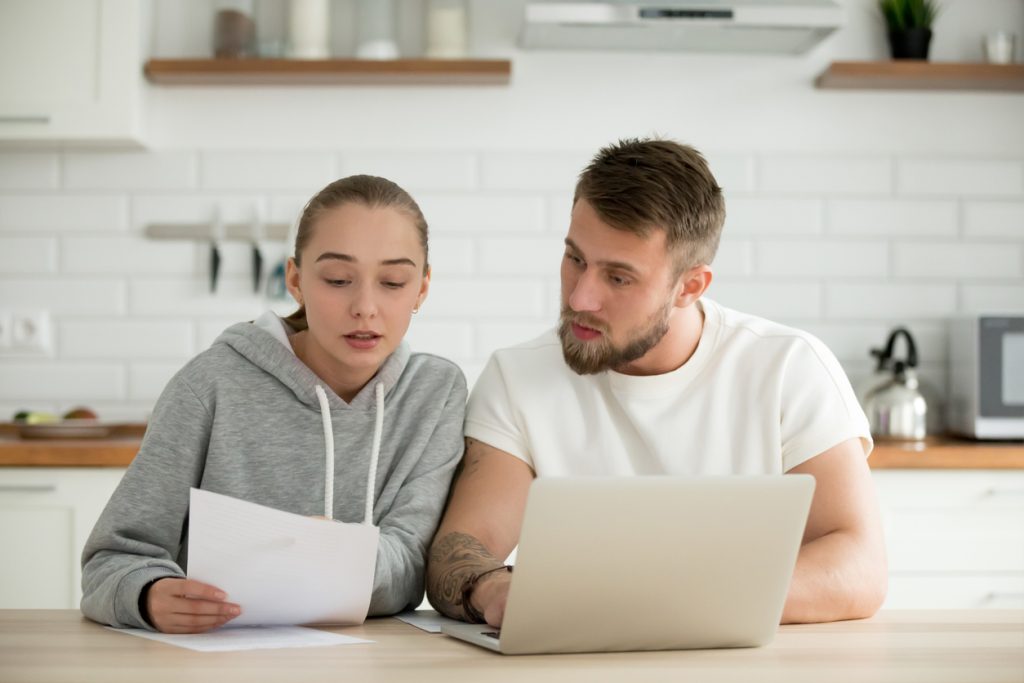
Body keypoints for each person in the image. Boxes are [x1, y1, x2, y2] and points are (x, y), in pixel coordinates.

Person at [426, 138, 887, 627]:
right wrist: (492, 588)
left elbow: (859, 567)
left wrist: (658, 603)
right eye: (575, 259)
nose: (581, 297)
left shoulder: (788, 367)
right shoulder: (518, 378)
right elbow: (461, 549)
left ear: (690, 287)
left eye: (618, 278)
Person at [81, 175, 466, 634]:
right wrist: (147, 596)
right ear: (296, 280)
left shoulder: (436, 392)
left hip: (371, 663)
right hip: (214, 659)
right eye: (339, 279)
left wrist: (331, 552)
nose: (365, 306)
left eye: (392, 281)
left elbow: (411, 567)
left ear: (421, 290)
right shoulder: (210, 385)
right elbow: (110, 561)